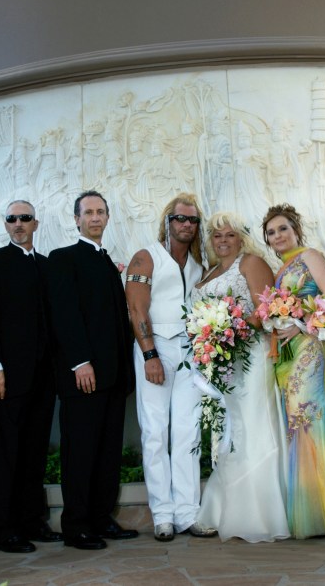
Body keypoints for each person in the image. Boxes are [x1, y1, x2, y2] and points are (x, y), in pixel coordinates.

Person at [46, 191, 139, 550]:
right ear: (76, 219)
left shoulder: (106, 261)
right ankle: (77, 525)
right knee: (81, 452)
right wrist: (79, 362)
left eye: (101, 211)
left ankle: (101, 518)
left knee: (106, 452)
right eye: (88, 212)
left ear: (108, 216)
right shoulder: (63, 259)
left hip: (113, 378)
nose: (95, 217)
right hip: (83, 376)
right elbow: (64, 315)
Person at [125, 193, 216, 542]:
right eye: (180, 219)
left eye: (192, 221)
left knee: (188, 433)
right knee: (155, 432)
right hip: (156, 348)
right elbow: (136, 310)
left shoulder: (197, 266)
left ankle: (188, 513)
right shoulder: (146, 257)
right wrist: (150, 355)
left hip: (190, 352)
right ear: (167, 220)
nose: (186, 225)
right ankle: (162, 515)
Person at [194, 212, 289, 543]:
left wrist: (230, 329)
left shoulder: (250, 263)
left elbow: (269, 308)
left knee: (254, 425)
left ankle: (260, 514)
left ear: (241, 238)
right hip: (224, 364)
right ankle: (226, 509)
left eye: (229, 235)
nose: (223, 241)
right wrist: (210, 338)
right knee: (231, 430)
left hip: (252, 357)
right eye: (217, 236)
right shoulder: (210, 272)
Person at [0, 201, 60, 554]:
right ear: (6, 225)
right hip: (7, 377)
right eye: (12, 219)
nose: (19, 223)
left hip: (44, 377)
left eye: (25, 218)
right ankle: (3, 528)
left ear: (35, 223)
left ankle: (31, 521)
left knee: (34, 450)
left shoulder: (47, 265)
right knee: (5, 452)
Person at [261, 204, 325, 539]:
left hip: (310, 348)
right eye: (271, 232)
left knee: (309, 416)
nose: (278, 236)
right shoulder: (279, 271)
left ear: (296, 229)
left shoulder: (310, 256)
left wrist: (300, 325)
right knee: (296, 423)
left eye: (283, 228)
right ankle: (314, 507)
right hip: (287, 355)